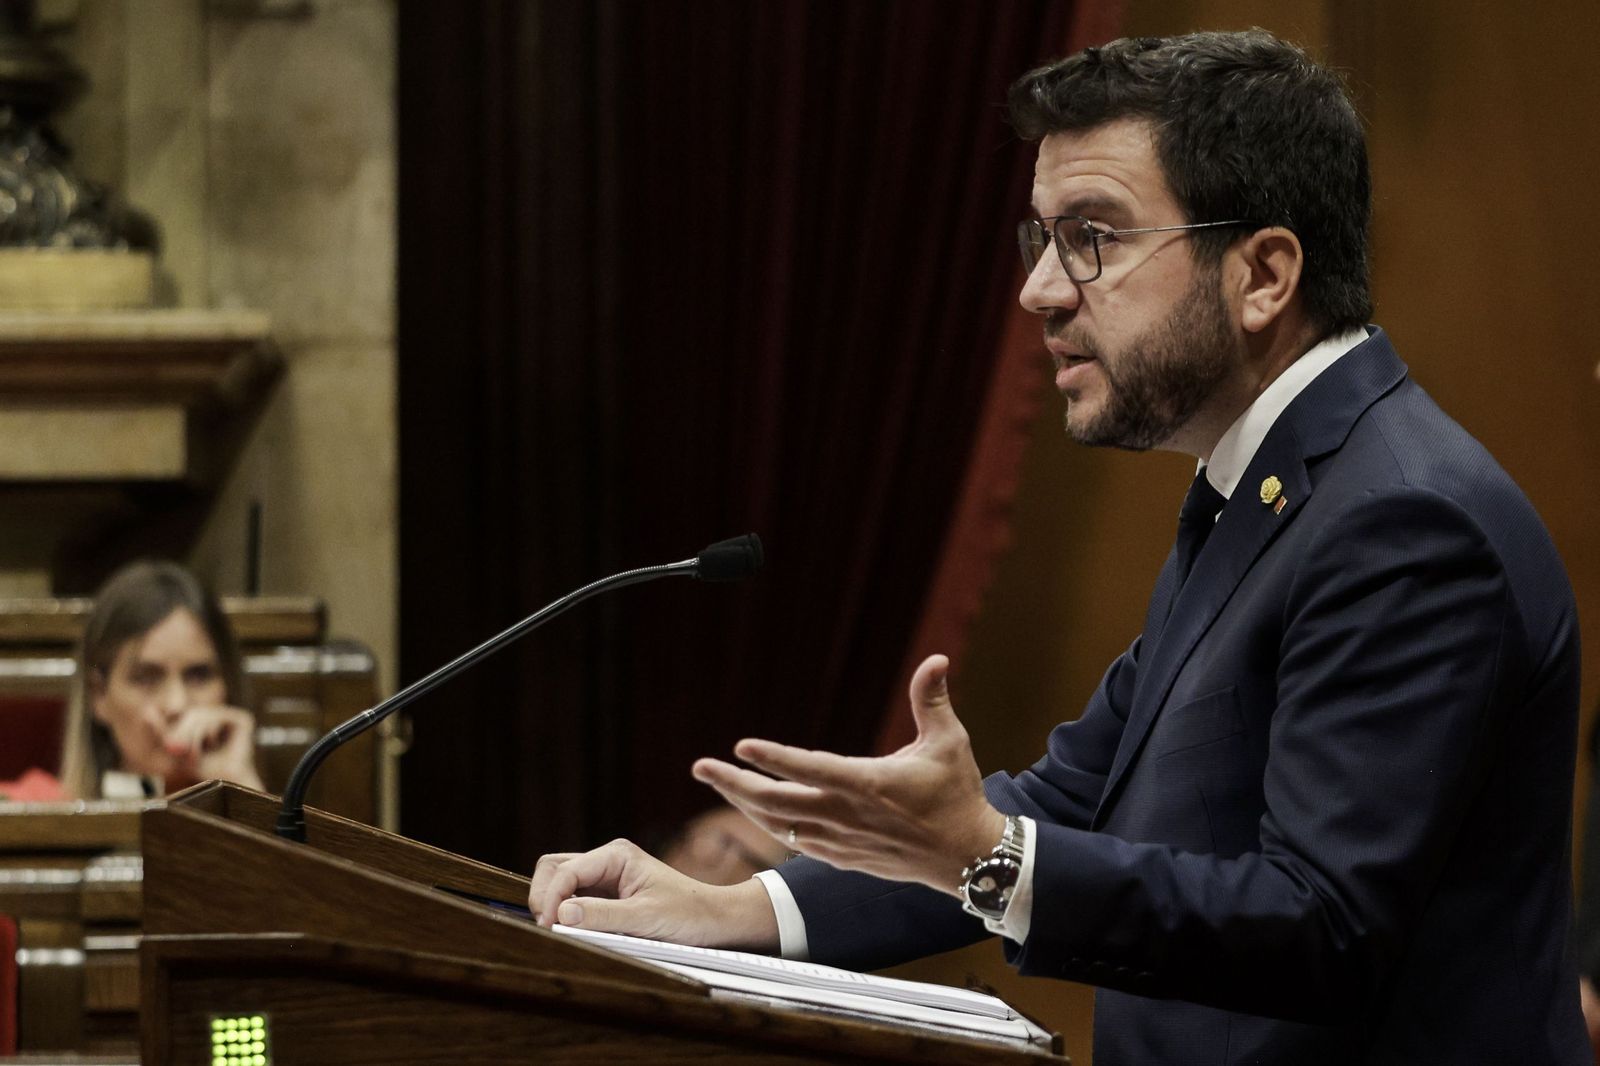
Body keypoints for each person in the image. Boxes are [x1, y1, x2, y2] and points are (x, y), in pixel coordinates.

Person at [530, 30, 1586, 1064]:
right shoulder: (1266, 489)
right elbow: (1070, 798)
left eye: (1091, 236)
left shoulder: (1403, 521)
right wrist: (731, 909)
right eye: (1039, 238)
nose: (1039, 290)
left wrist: (987, 860)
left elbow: (1323, 925)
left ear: (1263, 273)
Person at [57, 560, 262, 800]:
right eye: (146, 678)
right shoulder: (38, 810)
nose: (177, 704)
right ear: (99, 693)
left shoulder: (250, 783)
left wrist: (242, 784)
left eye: (199, 675)